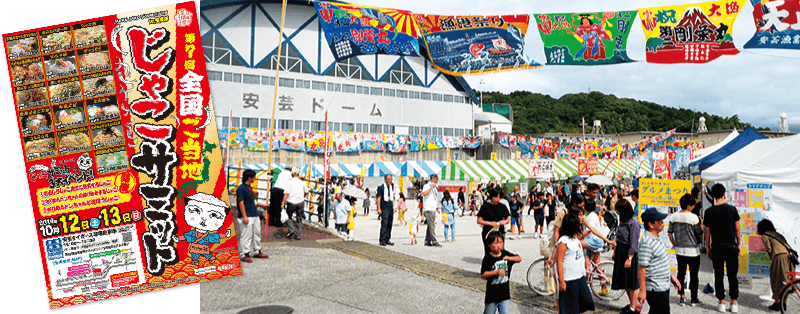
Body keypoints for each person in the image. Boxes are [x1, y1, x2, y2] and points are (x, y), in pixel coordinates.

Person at [703, 183, 741, 313]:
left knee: (718, 274)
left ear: (712, 195)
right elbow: (737, 229)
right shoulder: (732, 209)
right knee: (732, 275)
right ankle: (734, 302)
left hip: (717, 247)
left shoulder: (709, 212)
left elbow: (707, 233)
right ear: (724, 193)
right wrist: (739, 244)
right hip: (731, 246)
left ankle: (721, 302)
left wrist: (708, 247)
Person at [638, 207, 682, 314]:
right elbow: (641, 268)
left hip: (663, 285)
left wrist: (672, 277)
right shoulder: (646, 243)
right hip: (655, 288)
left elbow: (661, 262)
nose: (663, 223)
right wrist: (642, 290)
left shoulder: (656, 239)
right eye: (659, 221)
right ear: (651, 224)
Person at [667, 194, 704, 307]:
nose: (693, 207)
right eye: (692, 205)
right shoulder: (693, 217)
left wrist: (674, 244)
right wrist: (701, 224)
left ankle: (682, 296)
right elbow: (699, 233)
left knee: (681, 273)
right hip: (693, 251)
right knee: (694, 275)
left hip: (680, 251)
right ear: (688, 205)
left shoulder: (673, 216)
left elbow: (669, 233)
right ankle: (694, 299)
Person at [555, 214, 595, 314]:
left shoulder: (575, 238)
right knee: (570, 308)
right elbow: (559, 261)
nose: (580, 227)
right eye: (579, 225)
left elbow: (586, 232)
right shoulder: (563, 242)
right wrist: (561, 281)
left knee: (586, 301)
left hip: (580, 277)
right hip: (569, 279)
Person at [757, 219, 794, 311]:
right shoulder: (778, 234)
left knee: (776, 279)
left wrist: (772, 260)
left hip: (779, 257)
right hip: (789, 257)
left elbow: (769, 249)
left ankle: (777, 303)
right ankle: (783, 302)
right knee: (786, 280)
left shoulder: (765, 236)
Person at [480, 230, 521, 314]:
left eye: (501, 242)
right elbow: (483, 274)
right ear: (489, 245)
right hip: (492, 295)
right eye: (496, 243)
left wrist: (509, 258)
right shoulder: (487, 258)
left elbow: (519, 258)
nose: (499, 245)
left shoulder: (505, 254)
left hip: (505, 295)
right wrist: (496, 272)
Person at [612, 199, 640, 314]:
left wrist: (629, 258)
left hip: (629, 254)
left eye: (618, 210)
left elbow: (633, 243)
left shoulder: (633, 223)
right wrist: (615, 252)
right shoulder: (622, 220)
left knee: (632, 282)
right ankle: (631, 305)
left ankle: (633, 308)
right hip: (620, 251)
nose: (617, 212)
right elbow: (618, 238)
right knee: (625, 281)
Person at [236, 169, 269, 263]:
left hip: (254, 214)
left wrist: (262, 205)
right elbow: (241, 202)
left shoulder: (248, 187)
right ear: (249, 178)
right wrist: (244, 216)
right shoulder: (241, 188)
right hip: (248, 215)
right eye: (253, 176)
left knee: (256, 233)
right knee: (246, 235)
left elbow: (252, 201)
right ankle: (245, 253)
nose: (255, 178)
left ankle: (257, 250)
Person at [477, 187, 511, 255]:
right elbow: (479, 220)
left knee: (500, 251)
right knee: (489, 252)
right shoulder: (485, 206)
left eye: (499, 197)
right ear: (491, 197)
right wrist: (490, 223)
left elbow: (508, 219)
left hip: (500, 232)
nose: (497, 199)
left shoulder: (503, 206)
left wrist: (503, 222)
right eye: (496, 197)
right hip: (488, 233)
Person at [282, 168, 308, 240]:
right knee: (299, 218)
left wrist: (283, 202)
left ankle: (291, 230)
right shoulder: (302, 182)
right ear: (298, 175)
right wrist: (303, 196)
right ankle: (298, 235)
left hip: (291, 202)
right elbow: (306, 191)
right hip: (300, 202)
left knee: (288, 216)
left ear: (292, 175)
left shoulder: (289, 182)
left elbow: (286, 194)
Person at [376, 174, 397, 246]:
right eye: (389, 179)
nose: (390, 181)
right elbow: (378, 198)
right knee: (384, 224)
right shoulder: (381, 187)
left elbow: (393, 198)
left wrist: (394, 207)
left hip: (390, 207)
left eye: (391, 179)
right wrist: (378, 208)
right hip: (384, 207)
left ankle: (388, 238)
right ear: (385, 180)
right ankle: (382, 239)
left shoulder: (391, 187)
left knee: (389, 223)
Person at [421, 174, 442, 247]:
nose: (436, 181)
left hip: (433, 208)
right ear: (432, 179)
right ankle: (434, 240)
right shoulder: (427, 186)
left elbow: (434, 198)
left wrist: (437, 207)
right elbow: (424, 193)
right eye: (435, 179)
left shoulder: (435, 187)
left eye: (437, 180)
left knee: (430, 224)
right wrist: (431, 187)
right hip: (428, 208)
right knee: (432, 225)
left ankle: (427, 240)